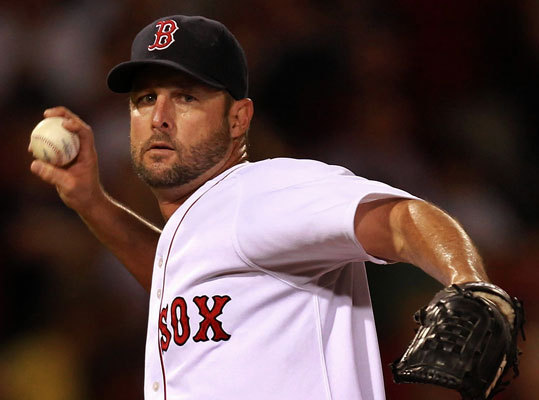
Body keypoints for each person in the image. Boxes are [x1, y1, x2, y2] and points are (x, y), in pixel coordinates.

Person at [29, 15, 502, 400]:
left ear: (238, 119)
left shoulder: (263, 189)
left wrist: (471, 285)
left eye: (186, 97)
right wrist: (92, 202)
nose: (159, 118)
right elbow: (180, 276)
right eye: (146, 99)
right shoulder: (208, 225)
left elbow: (401, 218)